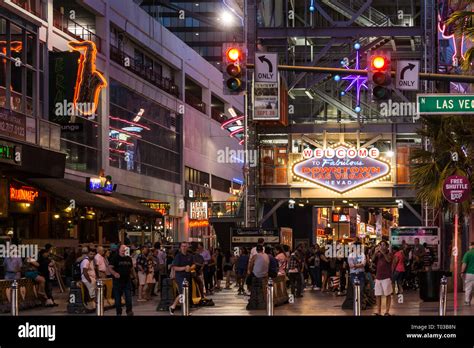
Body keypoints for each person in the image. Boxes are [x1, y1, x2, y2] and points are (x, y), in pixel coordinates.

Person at [169, 242, 194, 315]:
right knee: (183, 293)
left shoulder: (190, 255)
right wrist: (184, 268)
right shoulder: (178, 256)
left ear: (187, 247)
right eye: (182, 246)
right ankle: (182, 310)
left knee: (185, 294)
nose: (184, 247)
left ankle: (174, 307)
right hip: (180, 277)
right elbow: (175, 267)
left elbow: (194, 265)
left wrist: (190, 268)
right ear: (180, 247)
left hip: (188, 276)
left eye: (185, 246)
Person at [109, 244, 134, 316]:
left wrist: (134, 277)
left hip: (127, 281)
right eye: (122, 248)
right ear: (119, 249)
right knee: (117, 299)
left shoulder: (128, 258)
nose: (124, 250)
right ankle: (119, 312)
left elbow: (131, 268)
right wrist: (114, 273)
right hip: (118, 281)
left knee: (128, 298)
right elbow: (110, 267)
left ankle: (129, 311)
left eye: (125, 249)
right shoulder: (115, 257)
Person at [372, 241, 393, 316]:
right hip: (378, 277)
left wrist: (383, 253)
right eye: (381, 245)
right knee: (378, 294)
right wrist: (375, 252)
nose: (382, 246)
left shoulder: (389, 253)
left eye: (384, 245)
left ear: (387, 246)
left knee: (388, 294)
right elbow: (372, 259)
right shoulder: (378, 254)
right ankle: (378, 311)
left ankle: (387, 311)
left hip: (386, 277)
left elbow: (388, 260)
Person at [461, 241, 474, 306]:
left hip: (469, 273)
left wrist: (462, 272)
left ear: (472, 246)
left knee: (468, 288)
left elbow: (464, 264)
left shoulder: (468, 253)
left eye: (470, 245)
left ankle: (467, 301)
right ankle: (469, 300)